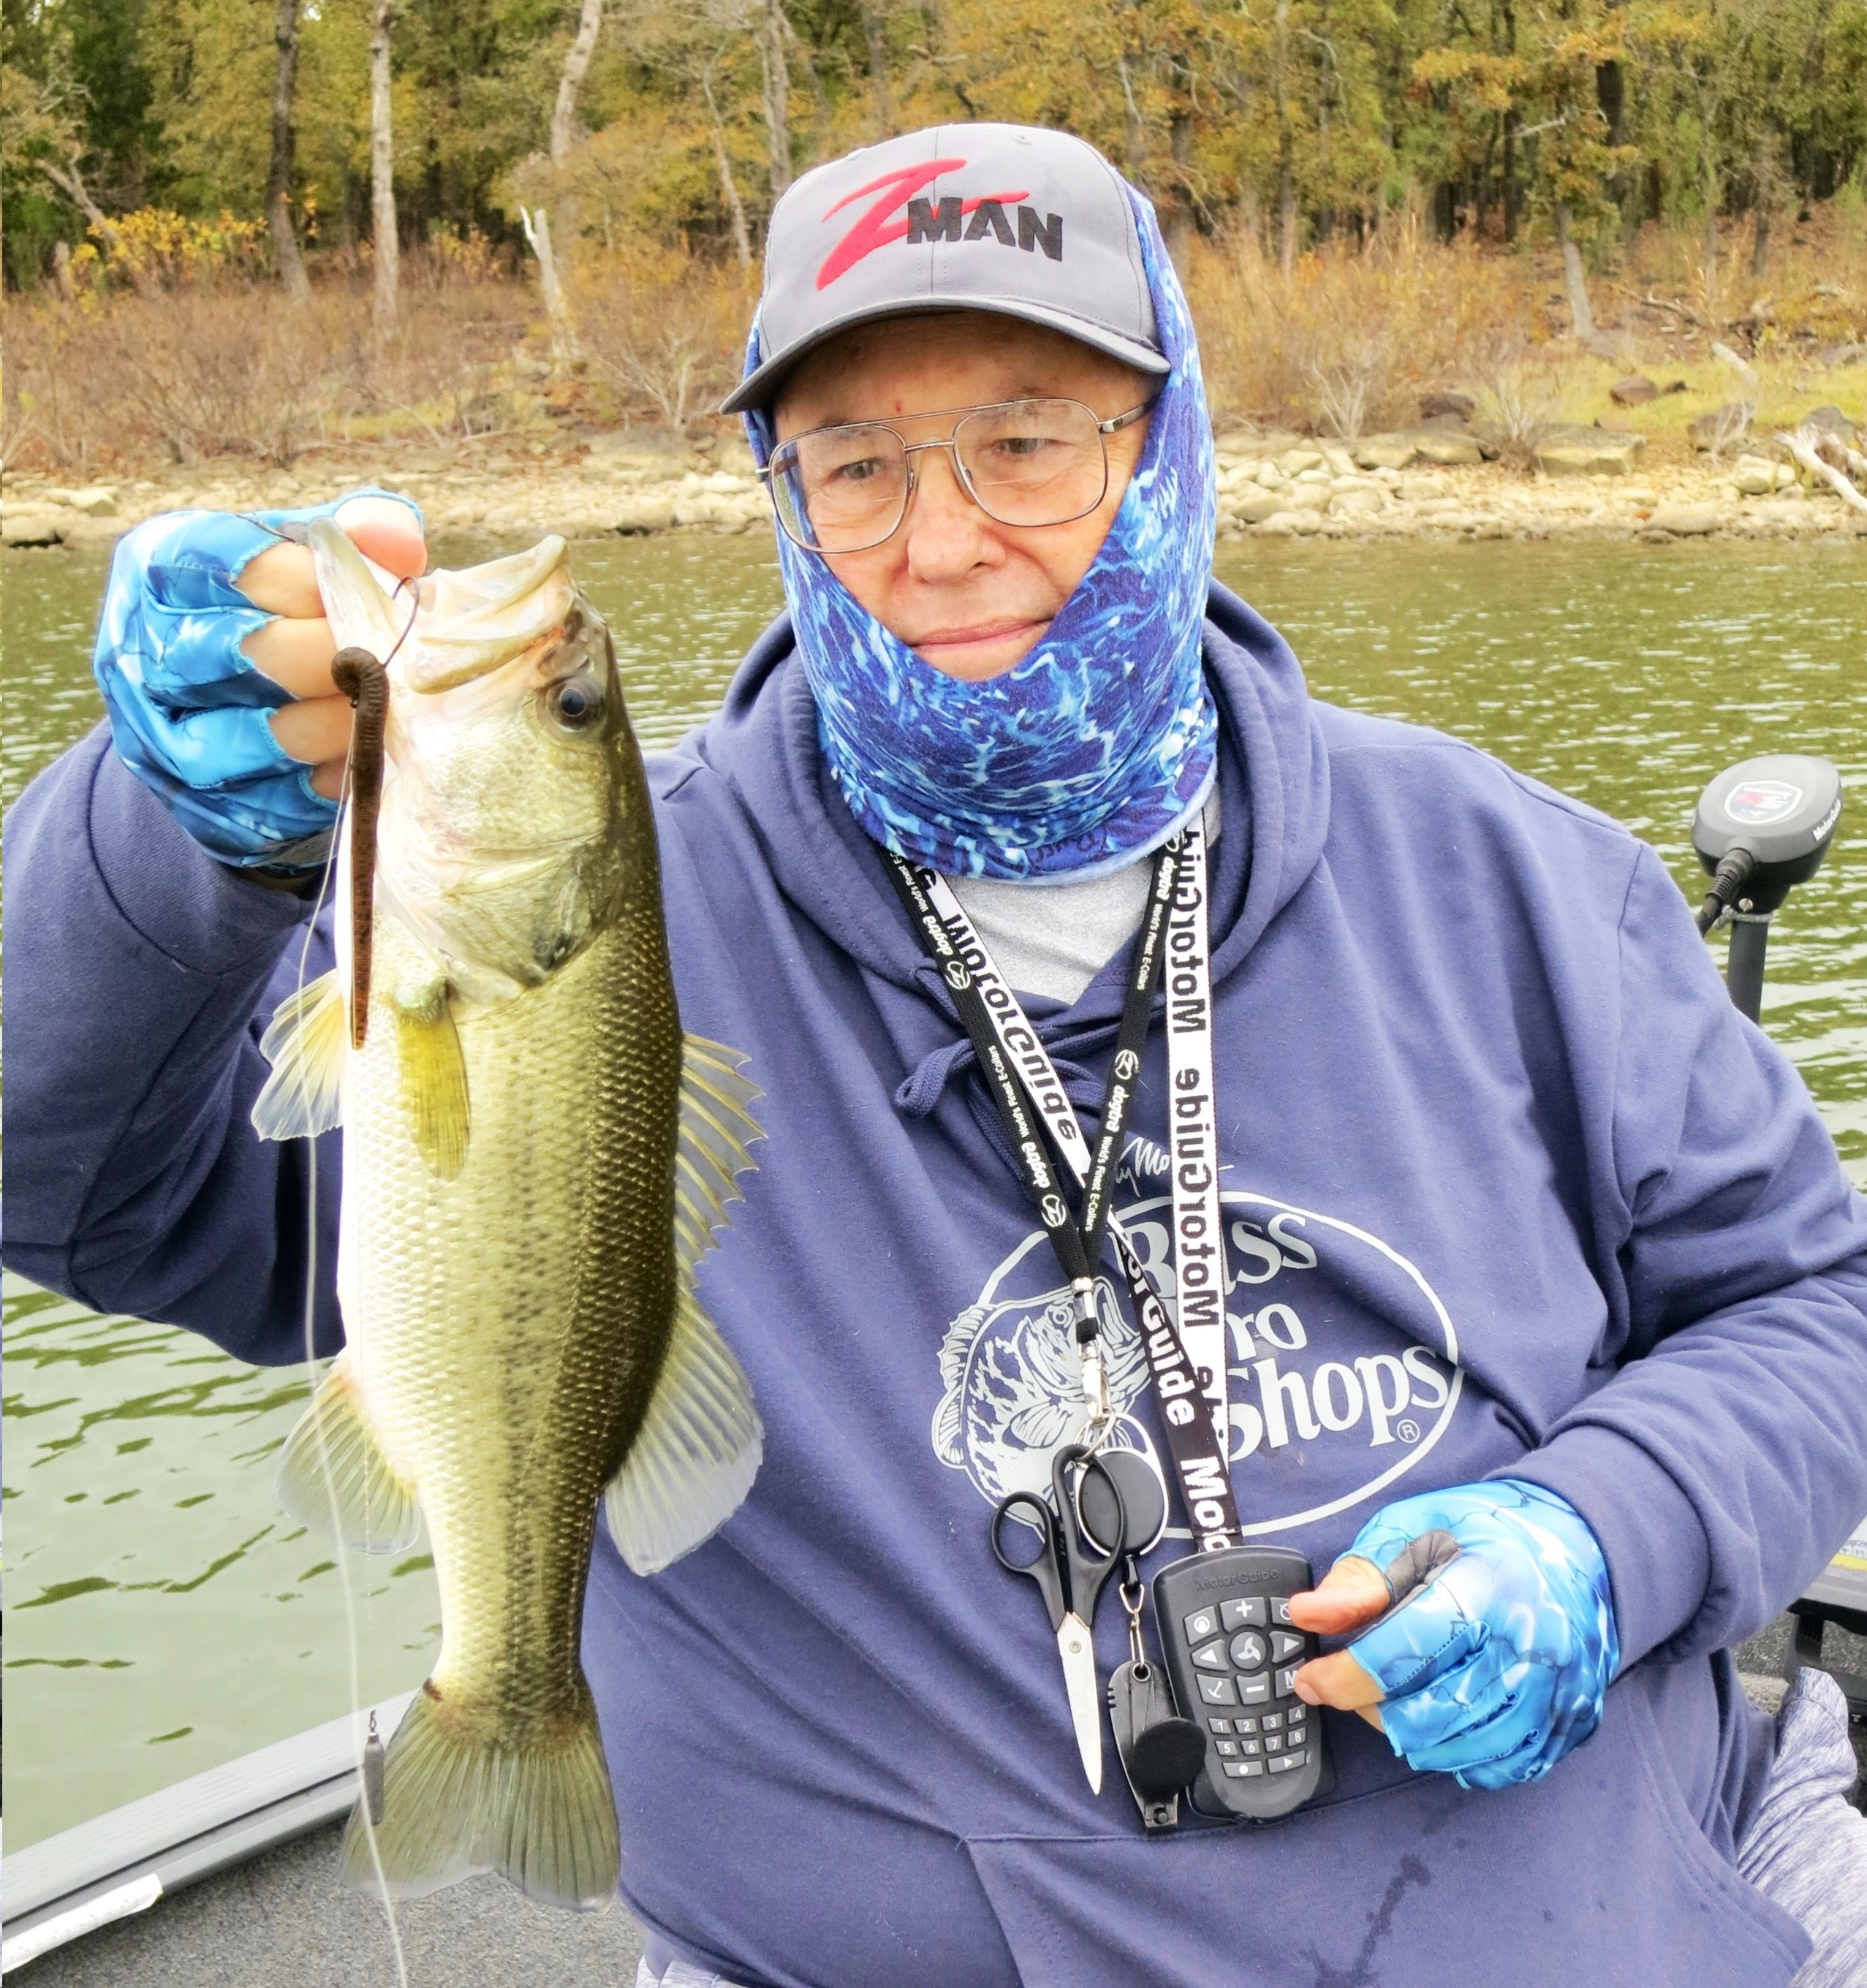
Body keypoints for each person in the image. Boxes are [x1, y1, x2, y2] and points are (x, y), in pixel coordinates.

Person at [6, 122, 1867, 1988]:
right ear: (775, 485)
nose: (944, 538)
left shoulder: (1519, 875)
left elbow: (1809, 1301)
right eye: (857, 463)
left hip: (1615, 1908)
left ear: (1171, 435)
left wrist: (1608, 1529)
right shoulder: (576, 929)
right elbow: (69, 1179)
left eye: (1028, 440)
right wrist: (176, 843)